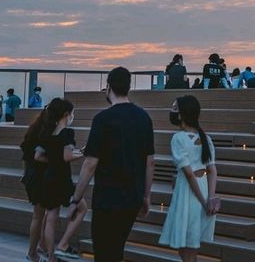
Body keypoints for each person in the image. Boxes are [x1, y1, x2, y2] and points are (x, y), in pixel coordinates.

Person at [66, 66, 155, 262]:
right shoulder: (144, 118)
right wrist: (146, 196)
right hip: (133, 196)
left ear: (108, 87)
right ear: (128, 87)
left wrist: (75, 199)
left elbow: (89, 164)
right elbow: (150, 162)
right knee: (117, 248)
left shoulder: (102, 119)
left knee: (105, 252)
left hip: (107, 198)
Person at [159, 95, 218, 262]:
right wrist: (210, 197)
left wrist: (203, 201)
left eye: (175, 108)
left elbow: (189, 174)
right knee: (191, 244)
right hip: (203, 189)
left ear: (182, 114)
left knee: (186, 246)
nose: (171, 110)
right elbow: (212, 170)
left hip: (188, 192)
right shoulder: (206, 138)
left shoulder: (178, 138)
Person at [37, 98, 87, 262]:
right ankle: (63, 244)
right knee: (82, 208)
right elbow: (67, 156)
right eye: (72, 113)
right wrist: (83, 153)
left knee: (51, 217)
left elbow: (38, 156)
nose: (73, 116)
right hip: (61, 178)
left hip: (48, 177)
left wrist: (54, 160)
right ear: (66, 114)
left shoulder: (46, 132)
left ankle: (50, 256)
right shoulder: (67, 133)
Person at [20, 108, 49, 262]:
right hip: (41, 177)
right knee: (39, 215)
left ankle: (38, 249)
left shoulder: (32, 130)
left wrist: (24, 175)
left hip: (31, 176)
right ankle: (32, 252)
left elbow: (25, 156)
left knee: (39, 215)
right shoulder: (46, 134)